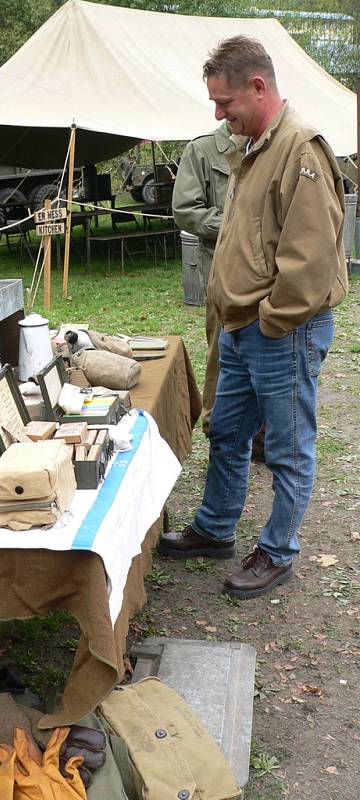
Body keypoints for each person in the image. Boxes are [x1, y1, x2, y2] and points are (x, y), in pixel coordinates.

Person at [158, 35, 348, 599]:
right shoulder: (256, 146)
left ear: (258, 87)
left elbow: (310, 261)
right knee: (227, 431)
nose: (219, 114)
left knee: (287, 447)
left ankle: (278, 551)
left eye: (226, 103)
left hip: (278, 331)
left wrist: (271, 320)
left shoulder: (299, 149)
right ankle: (216, 529)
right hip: (242, 327)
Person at [172, 122, 233, 436]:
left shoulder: (271, 145)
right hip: (222, 269)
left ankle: (261, 433)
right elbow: (185, 209)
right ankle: (216, 426)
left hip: (269, 271)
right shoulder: (203, 149)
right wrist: (235, 225)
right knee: (222, 352)